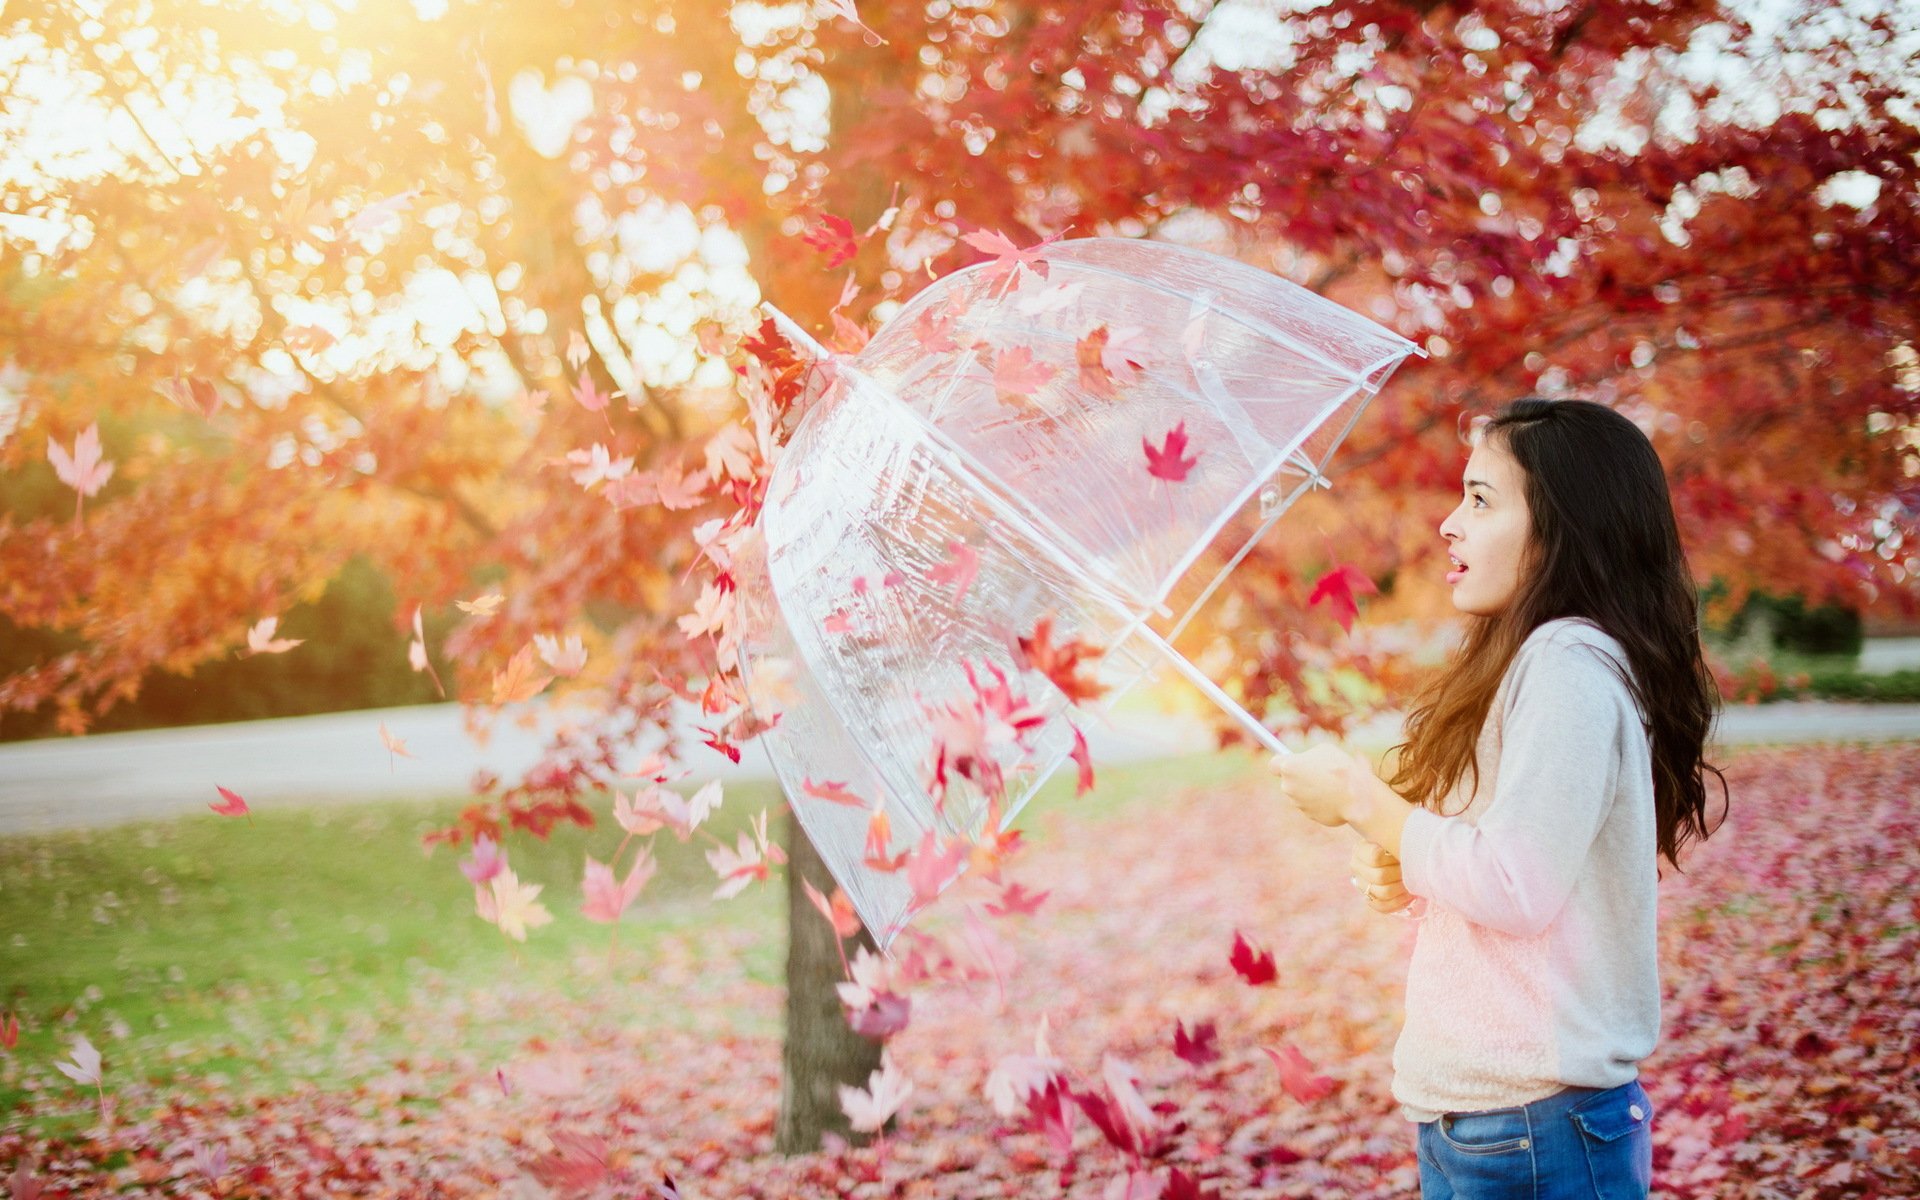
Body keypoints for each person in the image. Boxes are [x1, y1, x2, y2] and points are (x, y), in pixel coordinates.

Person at [1271, 397, 1727, 1199]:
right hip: (1479, 1123)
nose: (1449, 524)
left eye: (1480, 500)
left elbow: (1517, 885)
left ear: (1565, 527)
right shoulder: (1533, 662)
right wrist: (1407, 863)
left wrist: (1361, 799)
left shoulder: (1568, 665)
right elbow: (1518, 863)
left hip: (1536, 1130)